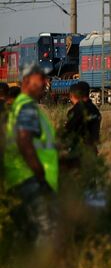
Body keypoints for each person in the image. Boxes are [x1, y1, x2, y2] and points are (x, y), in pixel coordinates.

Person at [4, 66, 59, 237]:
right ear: (26, 82)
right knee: (47, 232)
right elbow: (24, 141)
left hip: (21, 177)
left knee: (31, 232)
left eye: (46, 79)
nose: (45, 83)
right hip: (29, 178)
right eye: (40, 79)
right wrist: (40, 175)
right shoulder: (27, 107)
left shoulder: (22, 106)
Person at [59, 80, 102, 172]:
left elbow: (68, 132)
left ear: (73, 95)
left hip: (78, 153)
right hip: (92, 151)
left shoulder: (76, 111)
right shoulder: (95, 110)